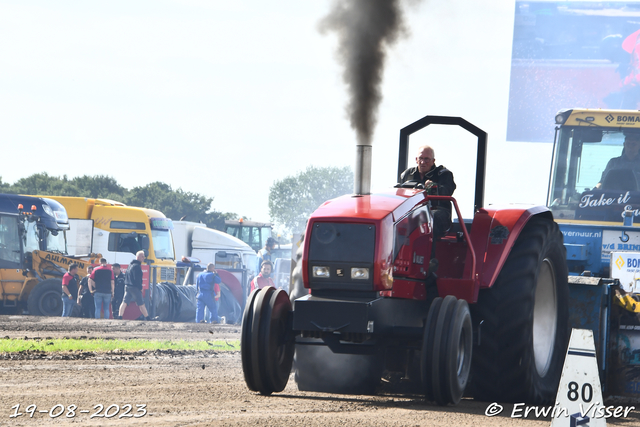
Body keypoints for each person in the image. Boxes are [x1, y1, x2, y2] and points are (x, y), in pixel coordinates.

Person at [399, 145, 457, 238]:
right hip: (412, 211)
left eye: (426, 159)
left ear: (433, 161)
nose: (423, 162)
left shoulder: (443, 174)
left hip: (437, 210)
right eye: (420, 158)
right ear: (416, 159)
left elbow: (447, 191)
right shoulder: (407, 174)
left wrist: (433, 187)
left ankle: (430, 252)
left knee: (429, 217)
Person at [118, 251, 151, 321]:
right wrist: (140, 288)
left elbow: (126, 276)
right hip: (134, 287)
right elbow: (137, 279)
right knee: (141, 303)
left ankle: (120, 316)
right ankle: (148, 318)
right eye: (142, 256)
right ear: (138, 257)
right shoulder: (137, 266)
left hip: (127, 286)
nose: (143, 258)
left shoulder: (130, 265)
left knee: (124, 302)